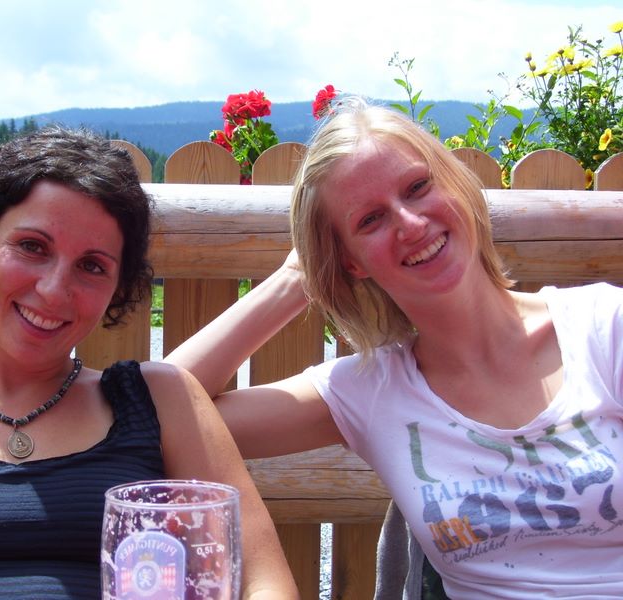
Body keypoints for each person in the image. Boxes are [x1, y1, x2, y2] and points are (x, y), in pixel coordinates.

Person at [165, 98, 623, 598]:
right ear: (352, 262)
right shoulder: (369, 392)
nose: (411, 223)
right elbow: (151, 412)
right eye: (370, 220)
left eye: (418, 187)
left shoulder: (604, 329)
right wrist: (299, 277)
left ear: (457, 185)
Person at [0, 127, 298, 600]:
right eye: (32, 246)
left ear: (116, 288)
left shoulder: (163, 398)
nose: (53, 290)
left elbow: (264, 583)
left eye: (91, 266)